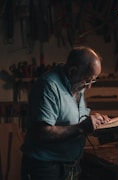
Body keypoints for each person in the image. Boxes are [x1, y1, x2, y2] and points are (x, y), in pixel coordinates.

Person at [21, 46, 111, 180]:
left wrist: (94, 121)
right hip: (45, 169)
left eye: (93, 80)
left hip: (71, 167)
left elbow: (71, 120)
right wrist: (81, 128)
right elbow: (41, 133)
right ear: (73, 70)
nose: (89, 86)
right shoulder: (49, 86)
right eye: (88, 80)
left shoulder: (77, 85)